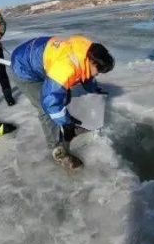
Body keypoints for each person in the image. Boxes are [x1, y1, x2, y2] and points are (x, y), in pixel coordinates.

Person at [10, 35, 114, 171]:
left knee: (64, 96)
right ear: (92, 62)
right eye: (98, 70)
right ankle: (57, 149)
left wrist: (94, 89)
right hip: (24, 69)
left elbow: (87, 75)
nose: (98, 74)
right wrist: (65, 121)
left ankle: (66, 125)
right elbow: (50, 101)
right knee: (46, 108)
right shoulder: (66, 67)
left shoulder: (86, 54)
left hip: (42, 61)